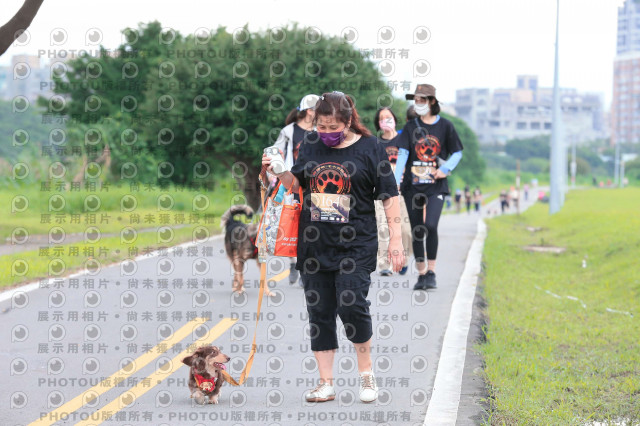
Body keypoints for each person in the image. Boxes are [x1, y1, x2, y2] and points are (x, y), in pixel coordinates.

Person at [261, 91, 404, 404]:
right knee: (320, 312)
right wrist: (279, 171)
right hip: (315, 243)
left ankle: (366, 375)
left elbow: (389, 195)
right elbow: (296, 185)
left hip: (357, 243)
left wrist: (396, 240)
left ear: (348, 121)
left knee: (352, 305)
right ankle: (325, 384)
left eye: (332, 128)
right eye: (321, 127)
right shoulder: (311, 143)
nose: (325, 133)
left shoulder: (371, 147)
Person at [394, 84, 463, 290]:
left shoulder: (446, 126)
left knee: (430, 226)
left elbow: (457, 152)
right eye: (416, 100)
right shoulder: (410, 127)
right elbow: (403, 154)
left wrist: (445, 169)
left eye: (422, 100)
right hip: (412, 186)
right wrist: (395, 180)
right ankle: (422, 274)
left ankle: (432, 271)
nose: (418, 104)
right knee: (417, 230)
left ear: (432, 101)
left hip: (436, 185)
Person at [273, 94, 319, 285]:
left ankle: (304, 267)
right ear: (308, 111)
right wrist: (277, 172)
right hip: (292, 183)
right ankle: (294, 263)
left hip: (314, 184)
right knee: (292, 223)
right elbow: (276, 151)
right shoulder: (289, 131)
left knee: (310, 225)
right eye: (317, 109)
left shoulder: (319, 130)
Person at [373, 107, 412, 277]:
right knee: (383, 227)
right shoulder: (375, 143)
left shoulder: (404, 139)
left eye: (389, 117)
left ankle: (402, 259)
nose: (386, 121)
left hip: (403, 190)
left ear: (395, 119)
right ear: (378, 123)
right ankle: (384, 264)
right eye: (382, 118)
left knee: (405, 230)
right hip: (382, 191)